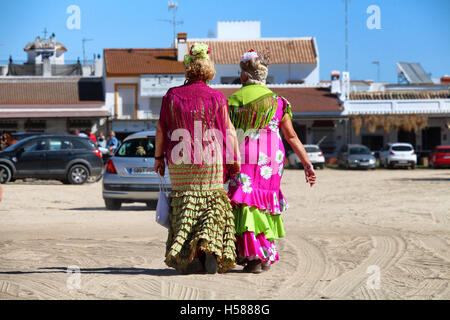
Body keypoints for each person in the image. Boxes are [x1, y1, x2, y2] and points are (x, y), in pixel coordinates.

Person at [227, 49, 317, 273]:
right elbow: (292, 136)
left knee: (246, 203)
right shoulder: (279, 102)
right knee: (264, 204)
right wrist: (307, 165)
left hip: (244, 157)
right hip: (271, 161)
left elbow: (226, 135)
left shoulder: (232, 101)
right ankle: (264, 254)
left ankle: (252, 256)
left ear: (244, 76)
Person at [154, 43, 240, 274]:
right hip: (210, 159)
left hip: (180, 159)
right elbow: (230, 131)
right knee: (211, 203)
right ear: (208, 68)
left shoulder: (172, 95)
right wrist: (234, 161)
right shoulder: (217, 97)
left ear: (188, 68)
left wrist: (158, 157)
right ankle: (210, 250)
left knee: (185, 205)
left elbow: (161, 129)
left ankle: (188, 256)